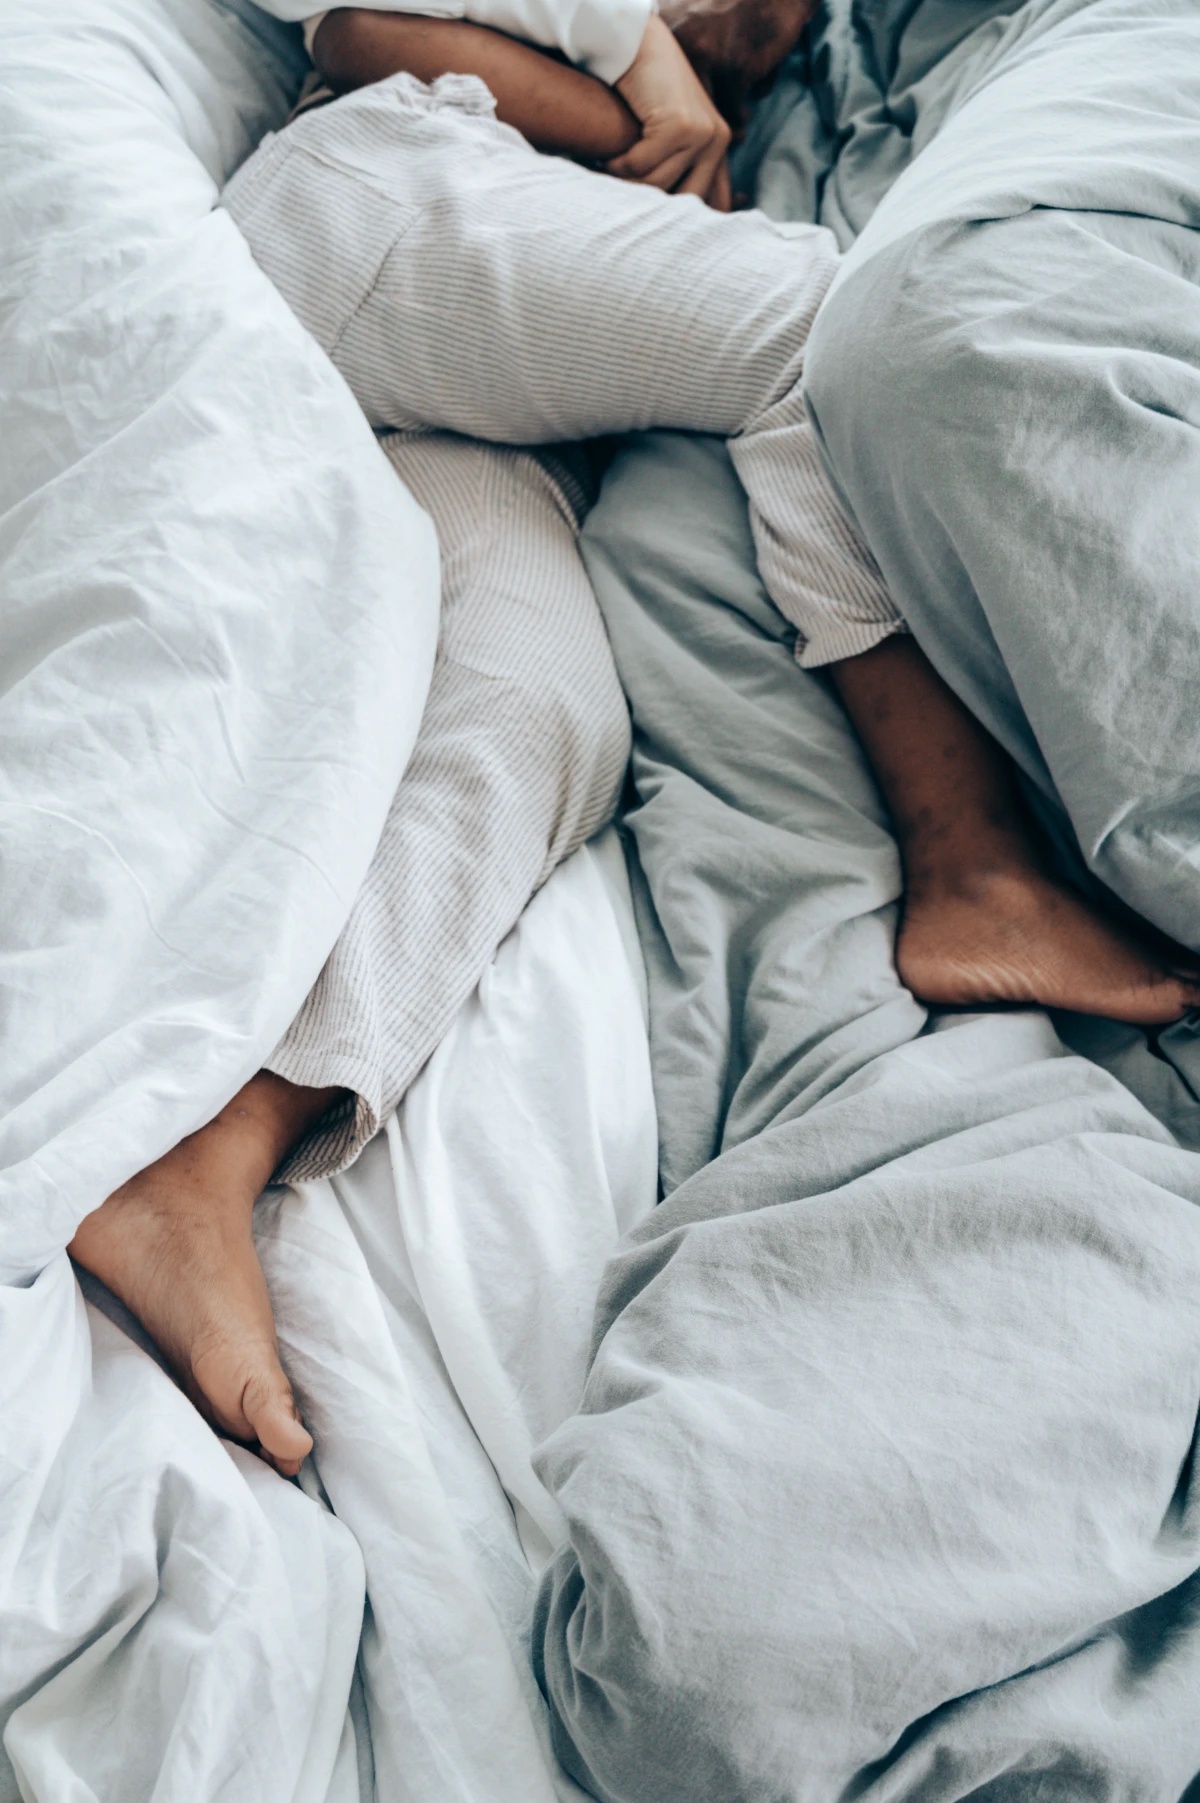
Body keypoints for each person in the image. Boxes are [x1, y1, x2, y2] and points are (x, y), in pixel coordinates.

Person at [68, 0, 1200, 1478]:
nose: (767, 20)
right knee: (822, 325)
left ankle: (202, 1164)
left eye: (782, 23)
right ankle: (970, 863)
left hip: (471, 406)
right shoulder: (610, 39)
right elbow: (356, 31)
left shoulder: (759, 135)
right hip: (373, 215)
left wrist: (689, 126)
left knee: (546, 717)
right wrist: (637, 93)